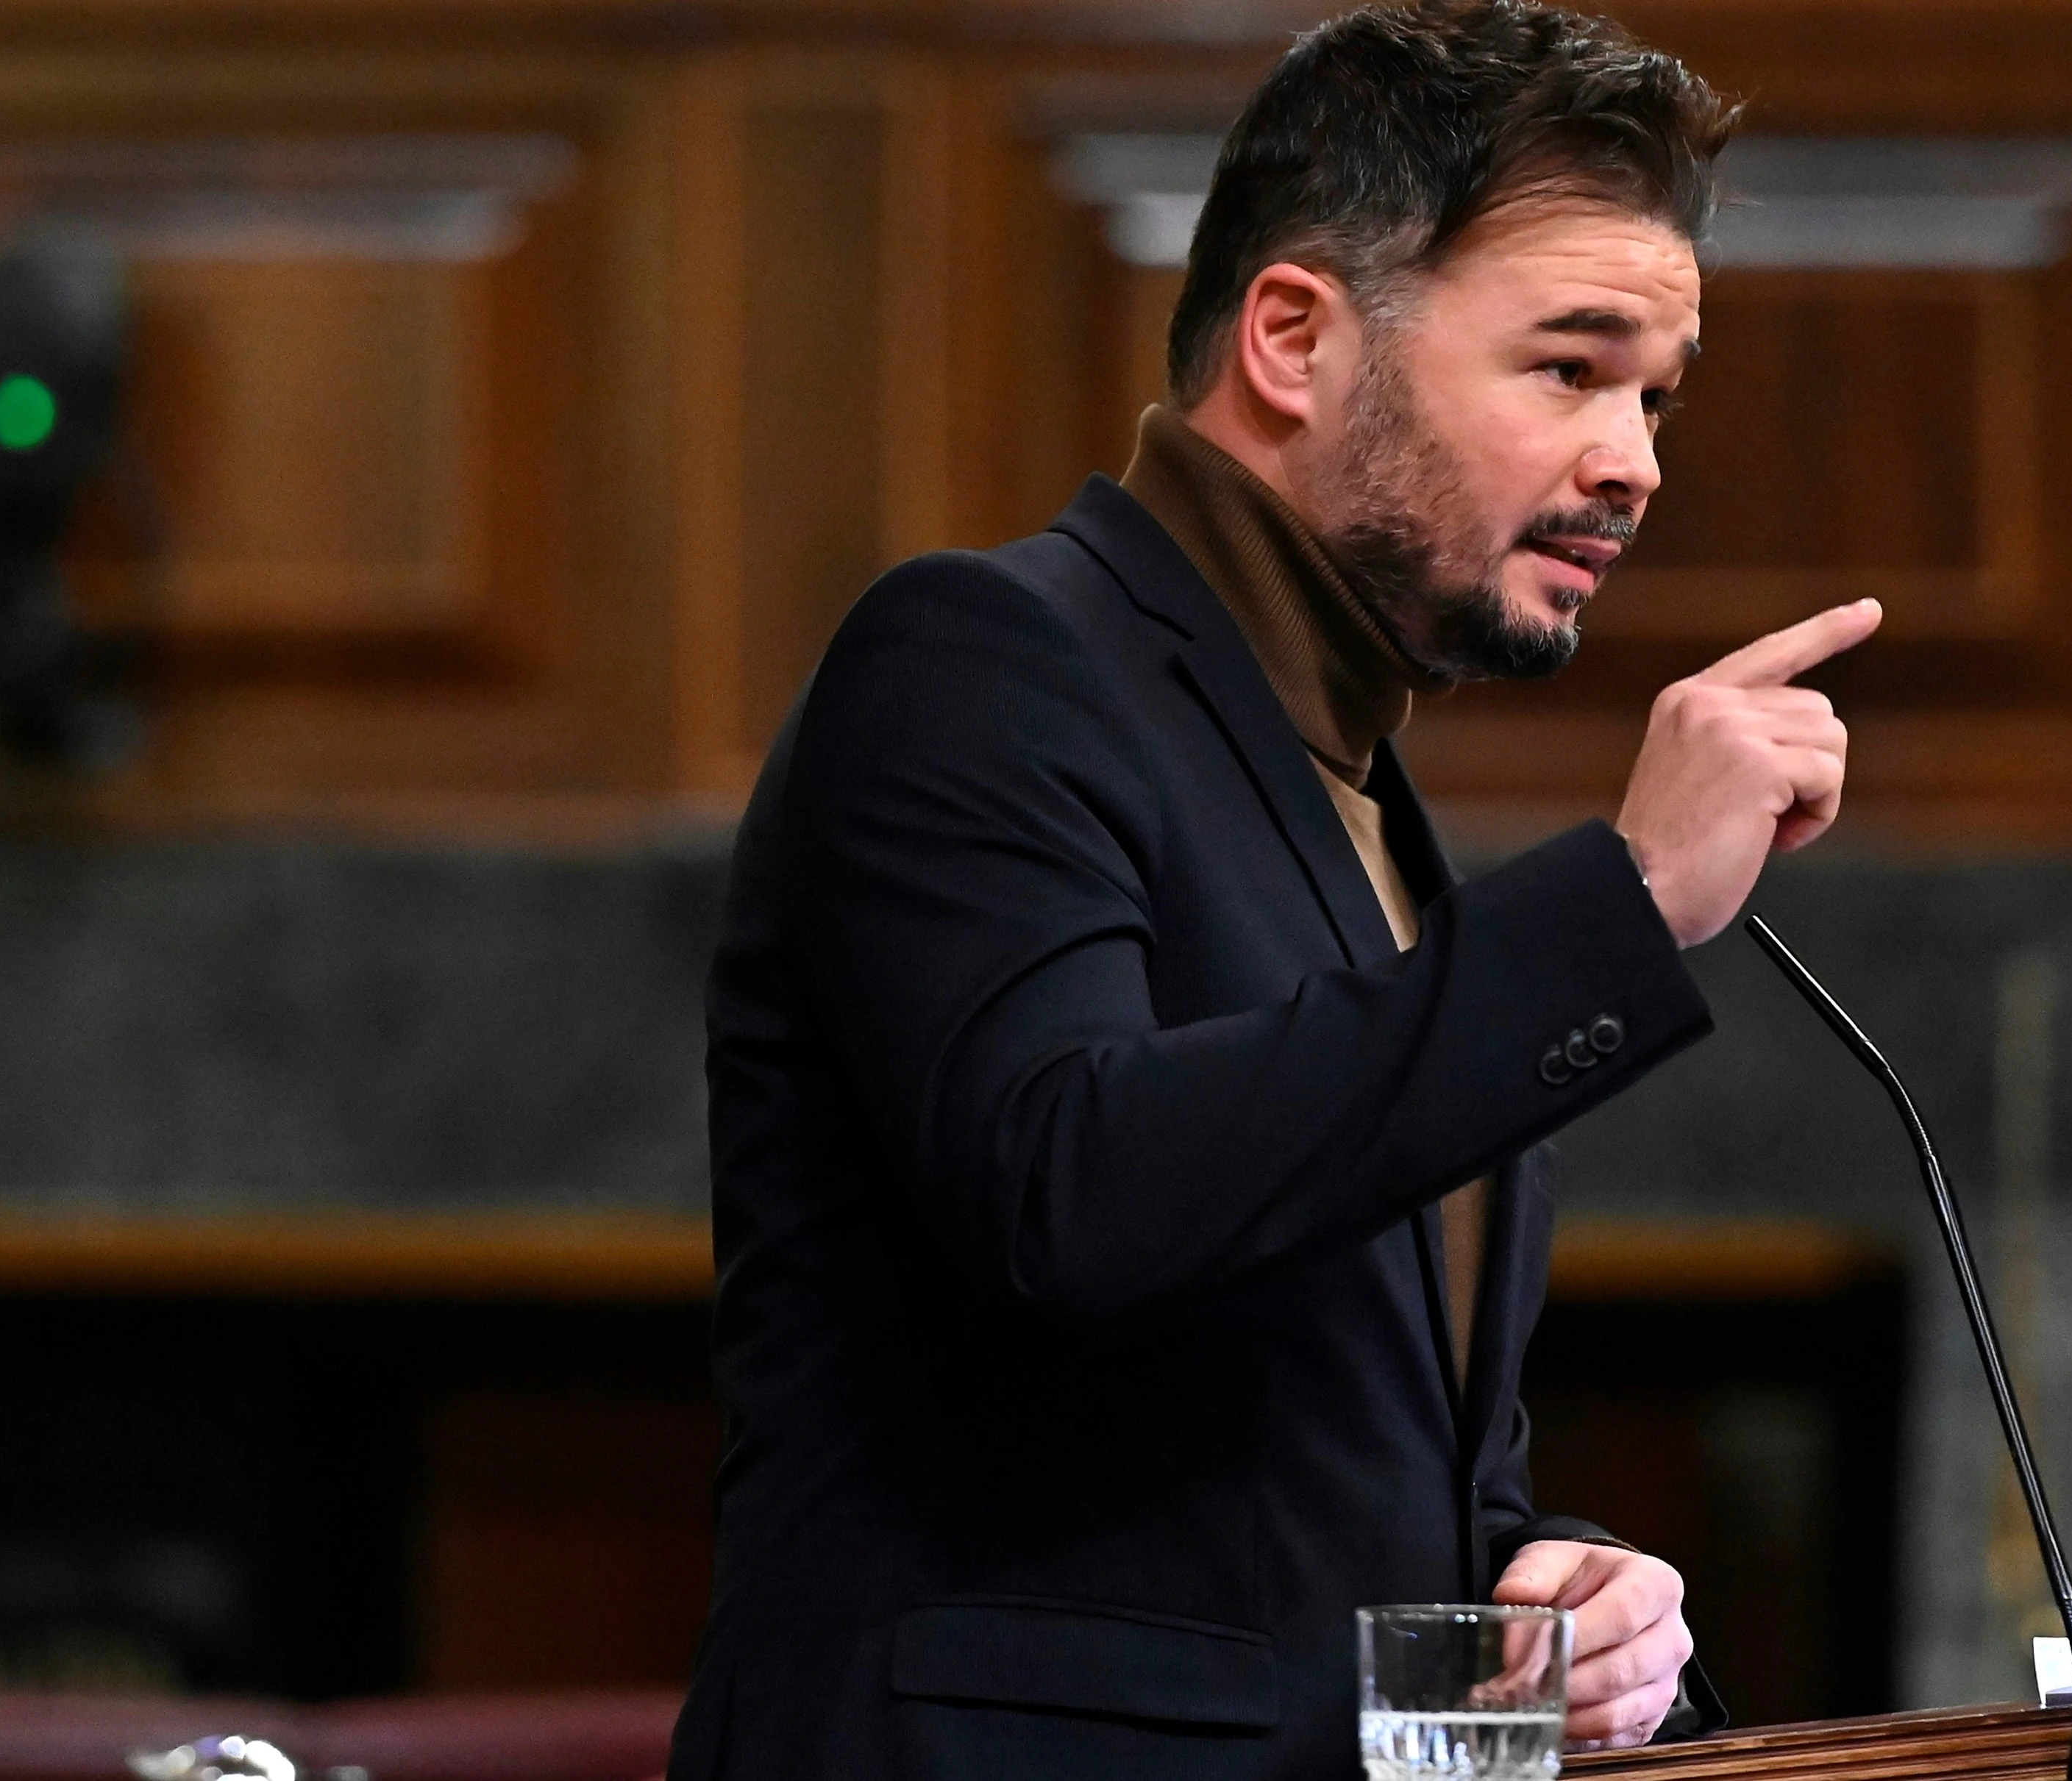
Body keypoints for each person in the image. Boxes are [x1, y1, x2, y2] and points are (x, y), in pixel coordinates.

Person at [670, 3, 1881, 1775]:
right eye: (1569, 367)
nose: (1636, 459)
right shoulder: (979, 658)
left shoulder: (1359, 800)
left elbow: (1304, 1460)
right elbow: (1070, 1189)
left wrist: (1557, 1602)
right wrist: (1619, 902)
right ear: (1296, 337)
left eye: (1652, 394)